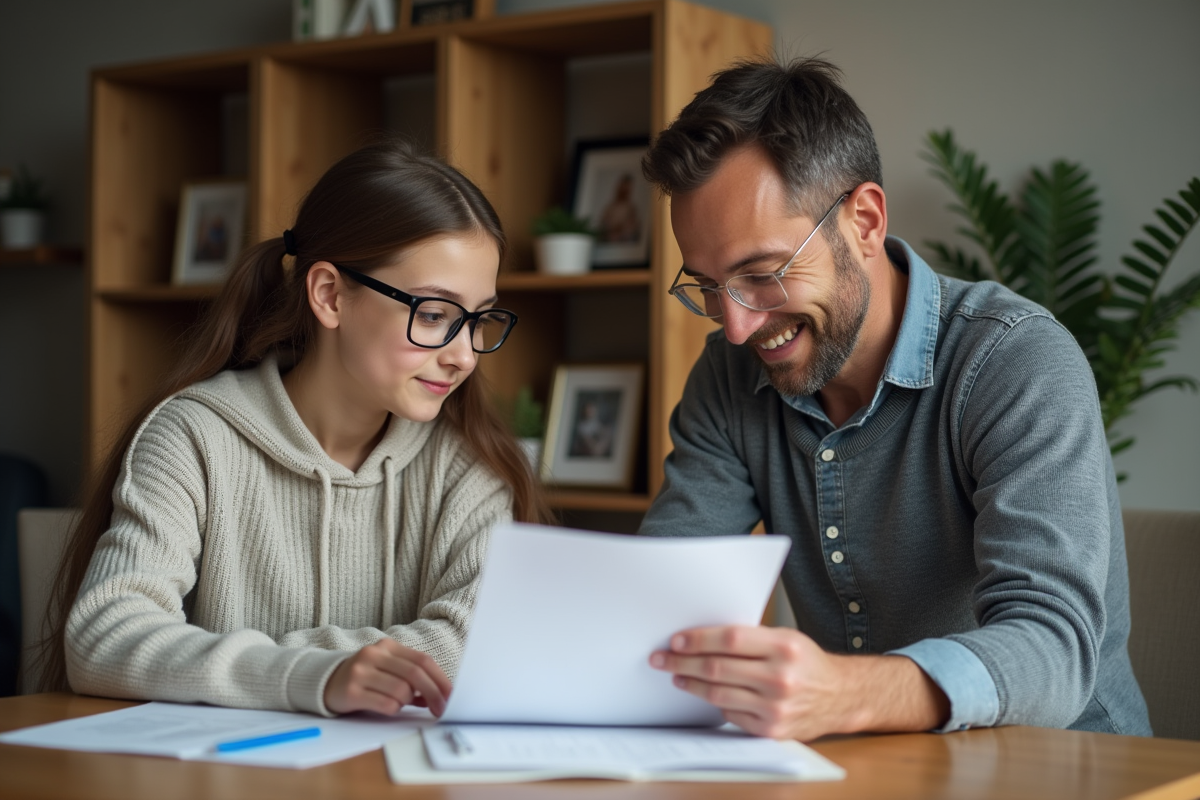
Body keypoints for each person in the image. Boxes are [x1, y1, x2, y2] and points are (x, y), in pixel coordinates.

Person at [638, 58, 1151, 741]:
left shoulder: (1016, 361)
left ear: (867, 221)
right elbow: (665, 594)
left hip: (1070, 767)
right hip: (872, 763)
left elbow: (1053, 649)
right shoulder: (729, 376)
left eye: (761, 274)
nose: (735, 324)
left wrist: (846, 693)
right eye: (706, 285)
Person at [40, 139, 550, 718]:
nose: (465, 356)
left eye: (479, 319)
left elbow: (480, 643)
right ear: (329, 295)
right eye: (434, 315)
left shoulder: (471, 464)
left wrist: (236, 667)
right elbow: (103, 638)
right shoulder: (193, 437)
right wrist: (315, 675)